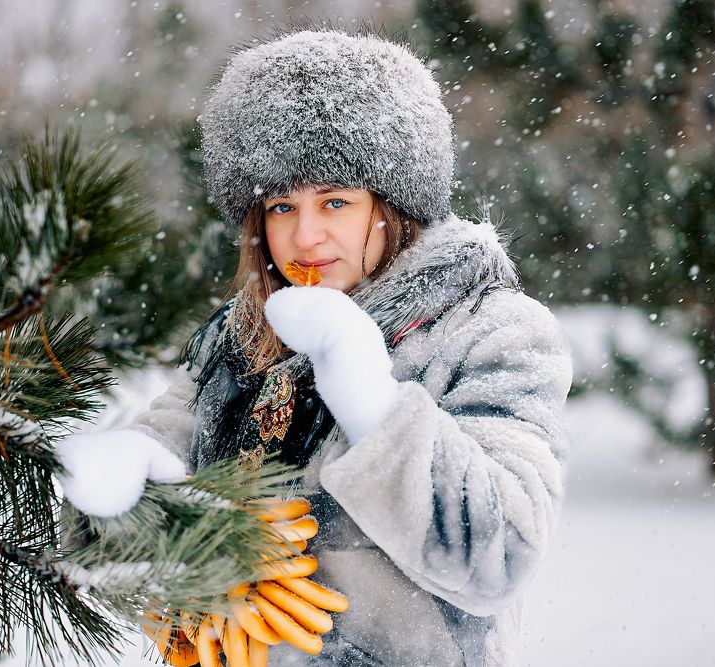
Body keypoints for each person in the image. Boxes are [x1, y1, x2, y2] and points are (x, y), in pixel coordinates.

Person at [57, 27, 572, 666]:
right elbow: (117, 537)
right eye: (280, 206)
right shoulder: (238, 336)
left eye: (335, 201)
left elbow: (501, 552)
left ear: (394, 204)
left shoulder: (491, 329)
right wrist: (122, 495)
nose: (305, 236)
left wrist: (374, 408)